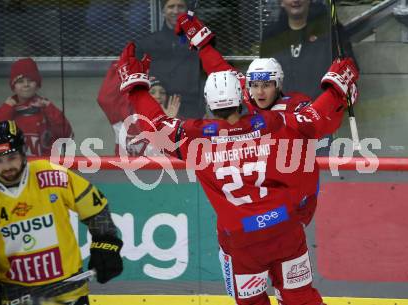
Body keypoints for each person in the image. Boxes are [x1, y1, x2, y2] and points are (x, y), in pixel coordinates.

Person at [116, 42, 358, 305]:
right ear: (243, 96)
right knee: (300, 297)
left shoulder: (194, 139)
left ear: (208, 102)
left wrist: (136, 88)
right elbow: (316, 117)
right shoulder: (274, 123)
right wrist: (337, 86)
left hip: (242, 241)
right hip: (285, 228)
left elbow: (155, 125)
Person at [174, 13, 346, 226]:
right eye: (254, 85)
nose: (260, 91)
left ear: (278, 84)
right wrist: (202, 44)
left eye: (266, 85)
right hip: (256, 197)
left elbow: (318, 121)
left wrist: (338, 92)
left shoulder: (296, 105)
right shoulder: (244, 97)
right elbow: (220, 69)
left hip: (296, 194)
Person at [0, 120, 123, 304]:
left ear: (23, 153)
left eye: (11, 158)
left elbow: (95, 207)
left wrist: (106, 244)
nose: (6, 166)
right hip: (15, 296)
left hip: (70, 294)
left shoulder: (50, 174)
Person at [260, 0, 356, 99]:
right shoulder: (270, 37)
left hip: (320, 109)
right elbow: (263, 79)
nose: (295, 0)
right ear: (281, 2)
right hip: (281, 110)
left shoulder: (331, 31)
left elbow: (349, 70)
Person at [135, 0, 206, 118]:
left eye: (180, 7)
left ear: (186, 10)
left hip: (192, 107)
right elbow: (134, 71)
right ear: (163, 10)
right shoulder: (148, 43)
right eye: (171, 7)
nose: (176, 11)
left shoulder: (199, 40)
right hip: (158, 107)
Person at [97, 61, 181, 156]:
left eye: (162, 93)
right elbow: (104, 99)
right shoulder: (125, 115)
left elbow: (172, 159)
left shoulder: (174, 119)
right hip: (124, 168)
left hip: (156, 170)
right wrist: (124, 67)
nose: (158, 96)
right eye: (152, 92)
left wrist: (168, 126)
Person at [0, 58, 73, 156]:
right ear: (13, 87)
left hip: (45, 167)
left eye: (30, 80)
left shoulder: (47, 109)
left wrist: (49, 108)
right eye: (20, 81)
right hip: (14, 168)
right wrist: (6, 110)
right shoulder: (6, 110)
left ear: (37, 85)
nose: (26, 85)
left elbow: (66, 136)